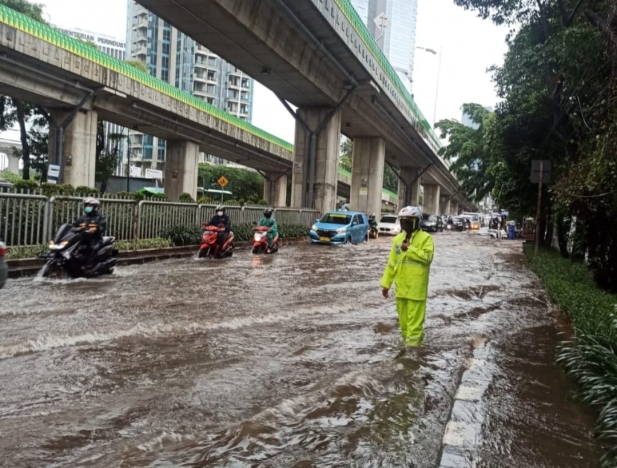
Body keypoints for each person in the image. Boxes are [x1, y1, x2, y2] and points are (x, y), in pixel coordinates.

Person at [380, 206, 434, 351]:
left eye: (408, 221)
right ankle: (405, 352)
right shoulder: (397, 240)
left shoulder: (426, 239)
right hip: (401, 290)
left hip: (416, 291)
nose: (404, 223)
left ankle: (413, 356)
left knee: (414, 328)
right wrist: (386, 284)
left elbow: (427, 258)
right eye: (402, 220)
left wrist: (409, 249)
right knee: (404, 326)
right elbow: (392, 264)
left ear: (417, 221)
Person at [73, 197, 106, 267]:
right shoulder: (82, 218)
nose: (88, 207)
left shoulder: (99, 218)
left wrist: (95, 229)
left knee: (92, 248)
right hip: (82, 240)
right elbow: (73, 226)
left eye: (90, 206)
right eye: (87, 205)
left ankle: (89, 265)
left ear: (94, 207)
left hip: (95, 240)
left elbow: (102, 227)